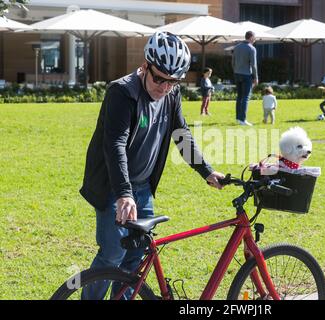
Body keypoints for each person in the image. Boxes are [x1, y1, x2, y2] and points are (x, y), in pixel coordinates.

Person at [79, 31, 225, 300]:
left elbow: (181, 133)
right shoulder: (122, 92)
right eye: (159, 78)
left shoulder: (171, 94)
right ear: (145, 66)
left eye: (173, 81)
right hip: (115, 186)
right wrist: (124, 194)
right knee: (113, 253)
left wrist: (206, 170)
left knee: (135, 257)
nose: (164, 87)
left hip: (143, 188)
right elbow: (115, 145)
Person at [232, 31, 258, 126]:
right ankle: (243, 119)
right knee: (246, 97)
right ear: (251, 37)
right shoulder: (252, 48)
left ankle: (238, 118)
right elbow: (254, 65)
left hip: (237, 73)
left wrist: (235, 70)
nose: (255, 39)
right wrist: (256, 77)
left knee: (239, 97)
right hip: (247, 75)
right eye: (254, 37)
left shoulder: (237, 47)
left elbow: (233, 61)